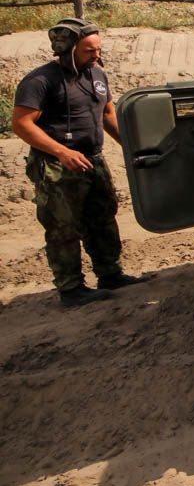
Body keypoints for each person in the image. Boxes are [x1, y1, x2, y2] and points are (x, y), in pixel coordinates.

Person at [13, 18, 150, 307]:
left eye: (98, 49)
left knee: (102, 217)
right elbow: (22, 124)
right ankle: (71, 288)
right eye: (89, 50)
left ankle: (110, 273)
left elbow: (108, 113)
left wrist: (130, 146)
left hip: (93, 159)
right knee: (63, 227)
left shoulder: (97, 75)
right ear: (67, 48)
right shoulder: (40, 81)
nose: (96, 55)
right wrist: (62, 152)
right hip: (57, 165)